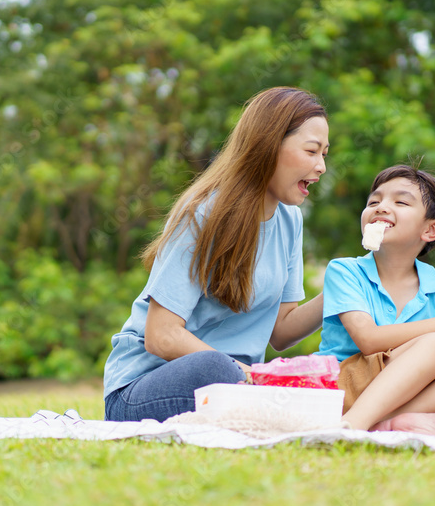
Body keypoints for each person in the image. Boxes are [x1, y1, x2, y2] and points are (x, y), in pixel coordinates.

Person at [103, 87, 328, 422]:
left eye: (325, 153)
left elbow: (280, 331)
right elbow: (161, 336)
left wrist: (345, 289)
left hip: (236, 384)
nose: (321, 166)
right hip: (142, 389)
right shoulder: (204, 213)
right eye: (312, 151)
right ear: (269, 145)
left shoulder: (289, 219)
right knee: (215, 366)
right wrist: (248, 377)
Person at [318, 164, 435, 431]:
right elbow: (368, 341)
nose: (380, 207)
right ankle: (354, 422)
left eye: (401, 201)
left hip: (400, 395)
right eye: (374, 201)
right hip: (342, 383)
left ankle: (382, 422)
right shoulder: (345, 271)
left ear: (430, 231)